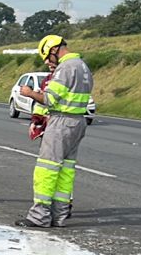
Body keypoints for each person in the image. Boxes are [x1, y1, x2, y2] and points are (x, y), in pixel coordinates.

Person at [17, 34, 93, 229]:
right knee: (66, 172)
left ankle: (39, 217)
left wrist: (29, 93)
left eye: (47, 57)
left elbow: (49, 99)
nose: (47, 62)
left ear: (53, 50)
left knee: (47, 169)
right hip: (78, 121)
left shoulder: (65, 68)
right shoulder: (82, 66)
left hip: (61, 122)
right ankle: (59, 216)